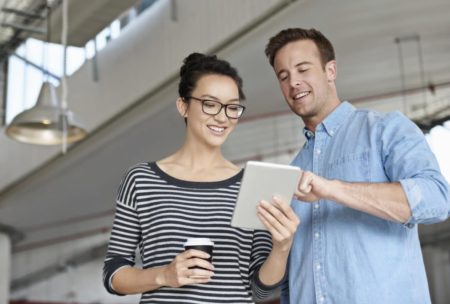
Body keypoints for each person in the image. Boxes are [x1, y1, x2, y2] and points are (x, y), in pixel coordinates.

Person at [264, 28, 450, 304]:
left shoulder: (385, 131)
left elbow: (437, 198)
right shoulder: (291, 171)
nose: (294, 83)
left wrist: (332, 189)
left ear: (331, 71)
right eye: (284, 76)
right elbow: (289, 277)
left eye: (303, 69)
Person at [103, 52, 300, 303]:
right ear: (183, 106)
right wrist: (164, 275)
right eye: (210, 103)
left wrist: (282, 248)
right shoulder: (141, 180)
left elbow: (262, 292)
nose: (222, 116)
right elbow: (113, 274)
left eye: (232, 107)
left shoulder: (252, 186)